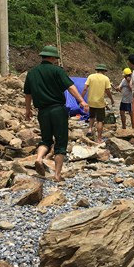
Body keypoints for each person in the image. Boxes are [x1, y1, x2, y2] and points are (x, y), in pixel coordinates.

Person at [23, 45, 88, 181]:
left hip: (42, 111)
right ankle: (57, 175)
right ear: (52, 57)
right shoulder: (57, 71)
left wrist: (28, 110)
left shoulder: (32, 73)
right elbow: (70, 87)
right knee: (60, 142)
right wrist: (81, 101)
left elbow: (28, 94)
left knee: (46, 139)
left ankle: (39, 158)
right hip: (58, 110)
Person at [81, 63, 114, 143]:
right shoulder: (106, 78)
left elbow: (85, 88)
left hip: (91, 101)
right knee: (100, 120)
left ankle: (89, 130)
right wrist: (111, 99)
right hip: (100, 102)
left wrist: (81, 98)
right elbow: (107, 91)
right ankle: (99, 138)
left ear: (97, 70)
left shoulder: (90, 76)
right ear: (104, 71)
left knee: (92, 117)